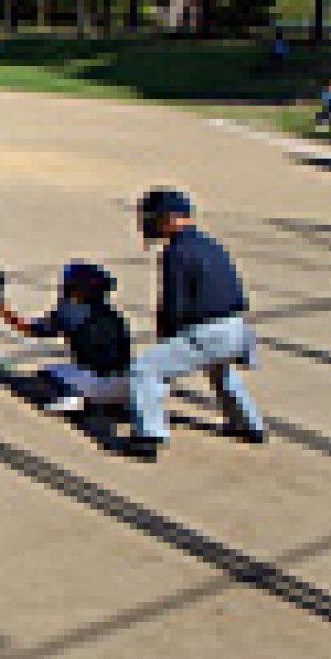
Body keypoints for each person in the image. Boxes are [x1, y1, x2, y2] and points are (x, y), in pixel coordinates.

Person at [121, 189, 268, 461]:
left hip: (208, 331)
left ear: (170, 218)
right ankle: (250, 426)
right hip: (238, 329)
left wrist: (167, 340)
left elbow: (173, 304)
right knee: (220, 372)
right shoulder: (209, 243)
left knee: (145, 369)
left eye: (153, 217)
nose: (149, 223)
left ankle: (147, 436)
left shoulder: (177, 251)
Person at [0, 262, 132, 416]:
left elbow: (31, 330)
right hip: (126, 384)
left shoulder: (71, 312)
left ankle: (75, 401)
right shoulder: (112, 314)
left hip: (95, 383)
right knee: (89, 372)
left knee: (46, 375)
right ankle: (114, 405)